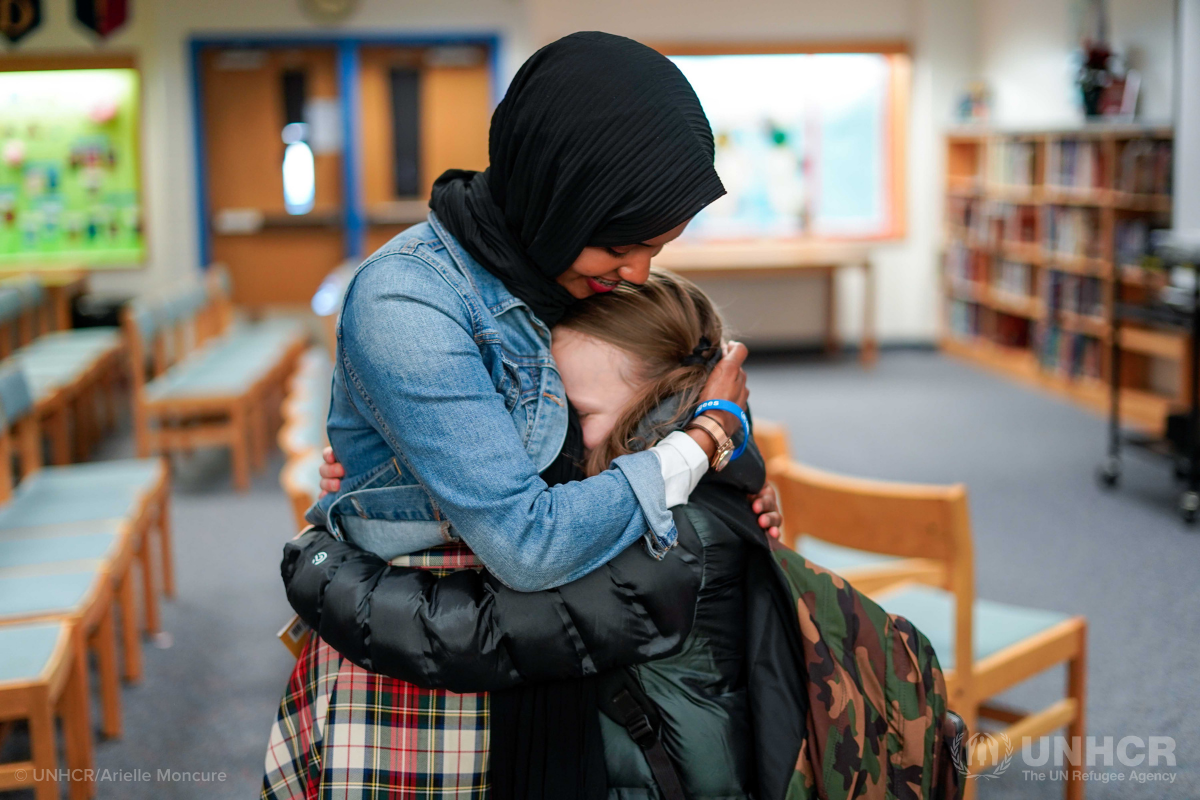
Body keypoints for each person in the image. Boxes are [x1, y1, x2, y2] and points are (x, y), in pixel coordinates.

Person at [263, 32, 780, 799]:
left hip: (565, 662)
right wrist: (700, 446)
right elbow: (529, 543)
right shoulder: (408, 299)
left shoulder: (567, 269)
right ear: (558, 190)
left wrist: (738, 477)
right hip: (438, 681)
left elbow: (674, 392)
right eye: (625, 244)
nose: (639, 271)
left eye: (657, 246)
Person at [276, 272, 965, 800]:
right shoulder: (664, 475)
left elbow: (471, 634)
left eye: (578, 415)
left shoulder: (669, 543)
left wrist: (316, 563)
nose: (557, 442)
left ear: (654, 407)